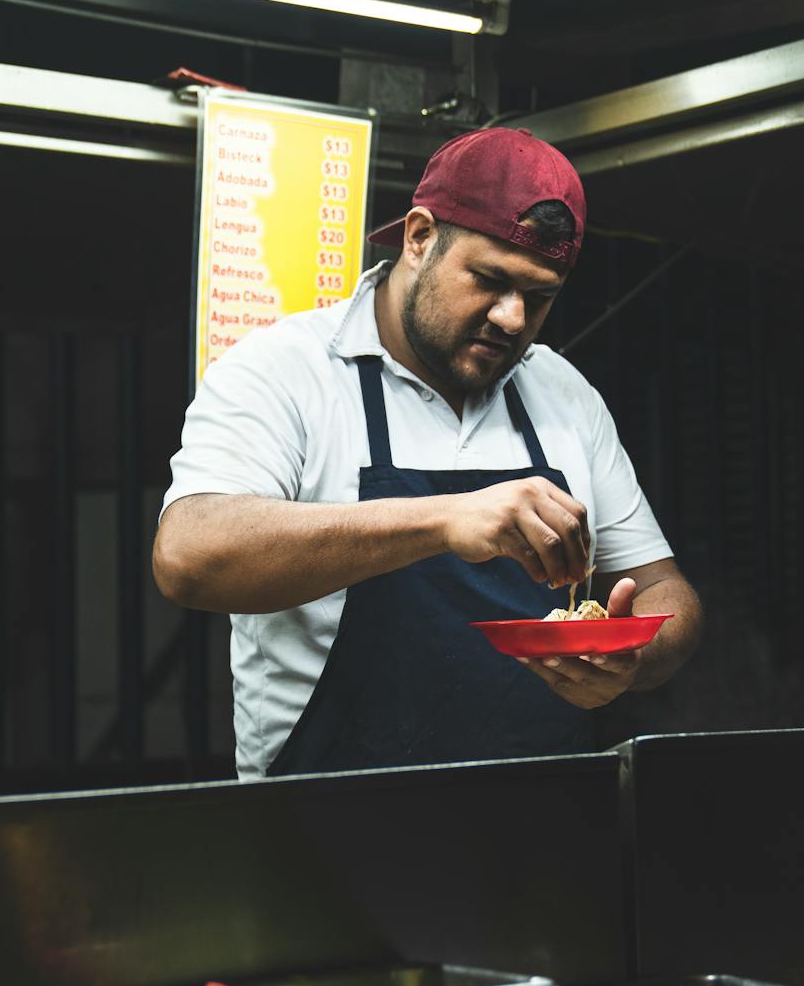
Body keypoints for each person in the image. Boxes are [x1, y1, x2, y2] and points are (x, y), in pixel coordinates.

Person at [154, 127, 703, 778]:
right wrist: (446, 520)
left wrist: (633, 658)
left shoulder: (561, 391)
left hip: (541, 830)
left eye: (540, 295)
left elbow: (669, 591)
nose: (511, 318)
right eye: (489, 279)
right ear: (418, 237)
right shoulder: (285, 371)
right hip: (323, 832)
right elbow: (189, 555)